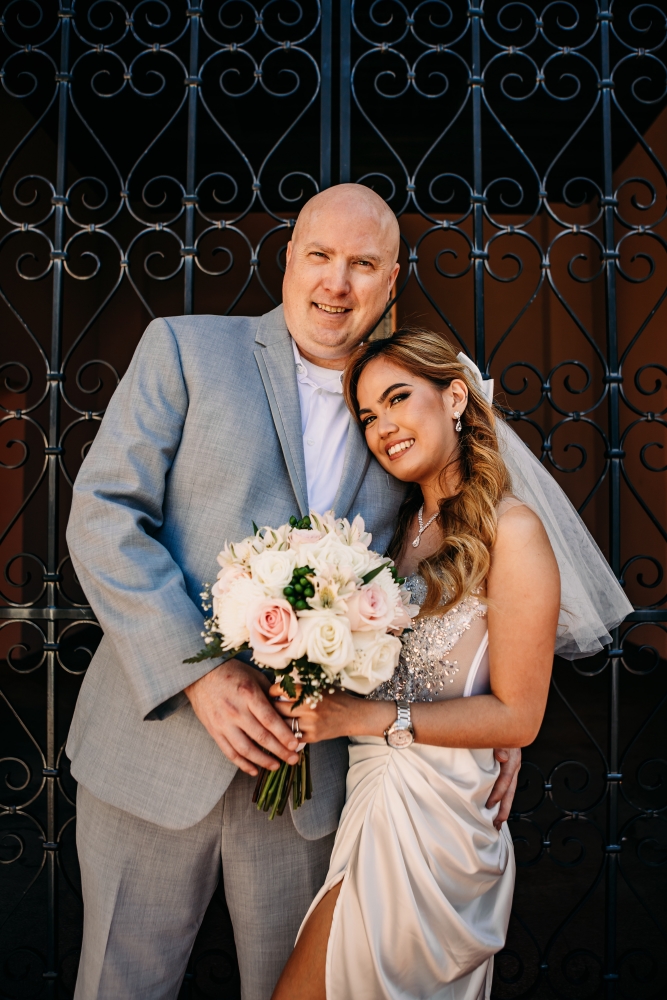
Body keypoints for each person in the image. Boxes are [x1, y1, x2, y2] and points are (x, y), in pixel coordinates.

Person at [65, 185, 521, 1000]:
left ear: (390, 282)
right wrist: (199, 673)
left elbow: (450, 564)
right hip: (151, 754)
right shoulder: (185, 349)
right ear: (287, 261)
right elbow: (102, 517)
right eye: (319, 256)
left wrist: (485, 706)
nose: (336, 283)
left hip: (309, 783)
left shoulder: (404, 407)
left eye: (362, 265)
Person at [271, 328, 632, 1000]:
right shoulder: (396, 529)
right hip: (372, 800)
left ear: (456, 397)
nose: (382, 427)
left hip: (436, 824)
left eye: (397, 398)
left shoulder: (513, 531)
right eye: (367, 416)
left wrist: (363, 717)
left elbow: (518, 717)